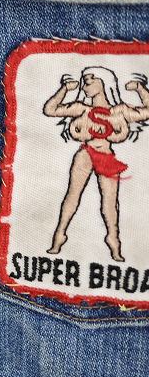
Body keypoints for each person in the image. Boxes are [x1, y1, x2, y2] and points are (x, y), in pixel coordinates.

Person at [43, 67, 149, 261]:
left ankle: (113, 240)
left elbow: (147, 112)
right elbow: (50, 110)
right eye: (84, 82)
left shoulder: (120, 111)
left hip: (107, 158)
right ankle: (59, 235)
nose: (84, 86)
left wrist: (140, 88)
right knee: (72, 196)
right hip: (85, 155)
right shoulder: (82, 109)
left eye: (89, 81)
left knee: (110, 203)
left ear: (103, 82)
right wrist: (64, 89)